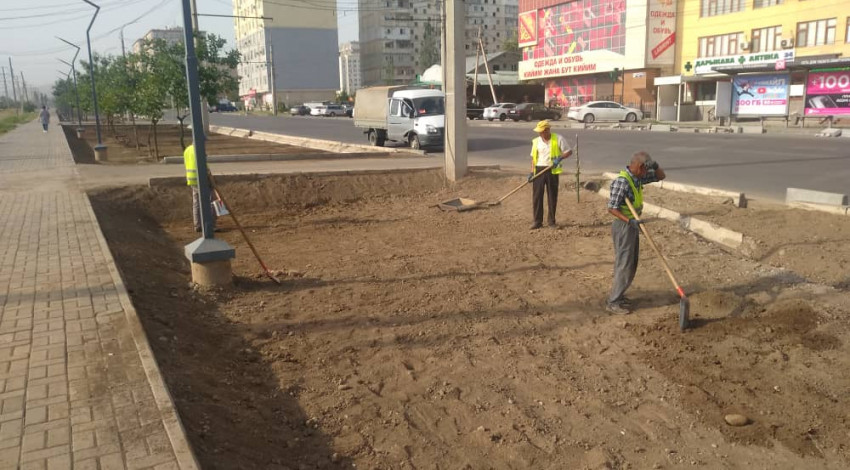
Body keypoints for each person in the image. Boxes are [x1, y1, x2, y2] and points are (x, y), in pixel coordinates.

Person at [606, 151, 666, 315]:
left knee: (631, 263)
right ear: (639, 167)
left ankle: (620, 295)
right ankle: (613, 302)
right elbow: (612, 208)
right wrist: (629, 221)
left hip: (633, 224)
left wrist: (655, 166)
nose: (647, 173)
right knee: (624, 263)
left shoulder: (637, 178)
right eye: (646, 169)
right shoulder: (622, 182)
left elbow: (660, 176)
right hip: (624, 226)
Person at [528, 120, 572, 229]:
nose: (540, 133)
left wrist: (560, 158)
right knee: (537, 196)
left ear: (547, 130)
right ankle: (537, 221)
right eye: (539, 132)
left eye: (542, 131)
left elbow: (568, 151)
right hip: (539, 170)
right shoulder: (536, 141)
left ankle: (551, 222)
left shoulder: (558, 138)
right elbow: (533, 159)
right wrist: (531, 172)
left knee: (552, 196)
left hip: (552, 170)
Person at [183, 144, 217, 233]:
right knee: (210, 201)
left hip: (192, 179)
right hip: (202, 179)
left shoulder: (187, 150)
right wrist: (210, 179)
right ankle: (211, 225)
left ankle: (197, 225)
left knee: (196, 202)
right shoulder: (199, 149)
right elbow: (204, 165)